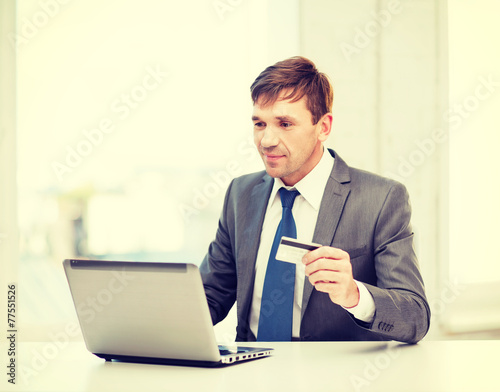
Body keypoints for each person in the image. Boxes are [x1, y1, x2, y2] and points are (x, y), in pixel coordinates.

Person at [200, 56, 430, 343]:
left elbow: (416, 317)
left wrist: (354, 295)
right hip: (249, 372)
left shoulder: (382, 199)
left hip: (337, 378)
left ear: (323, 127)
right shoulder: (240, 194)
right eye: (259, 123)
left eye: (285, 123)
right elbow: (210, 295)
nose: (266, 140)